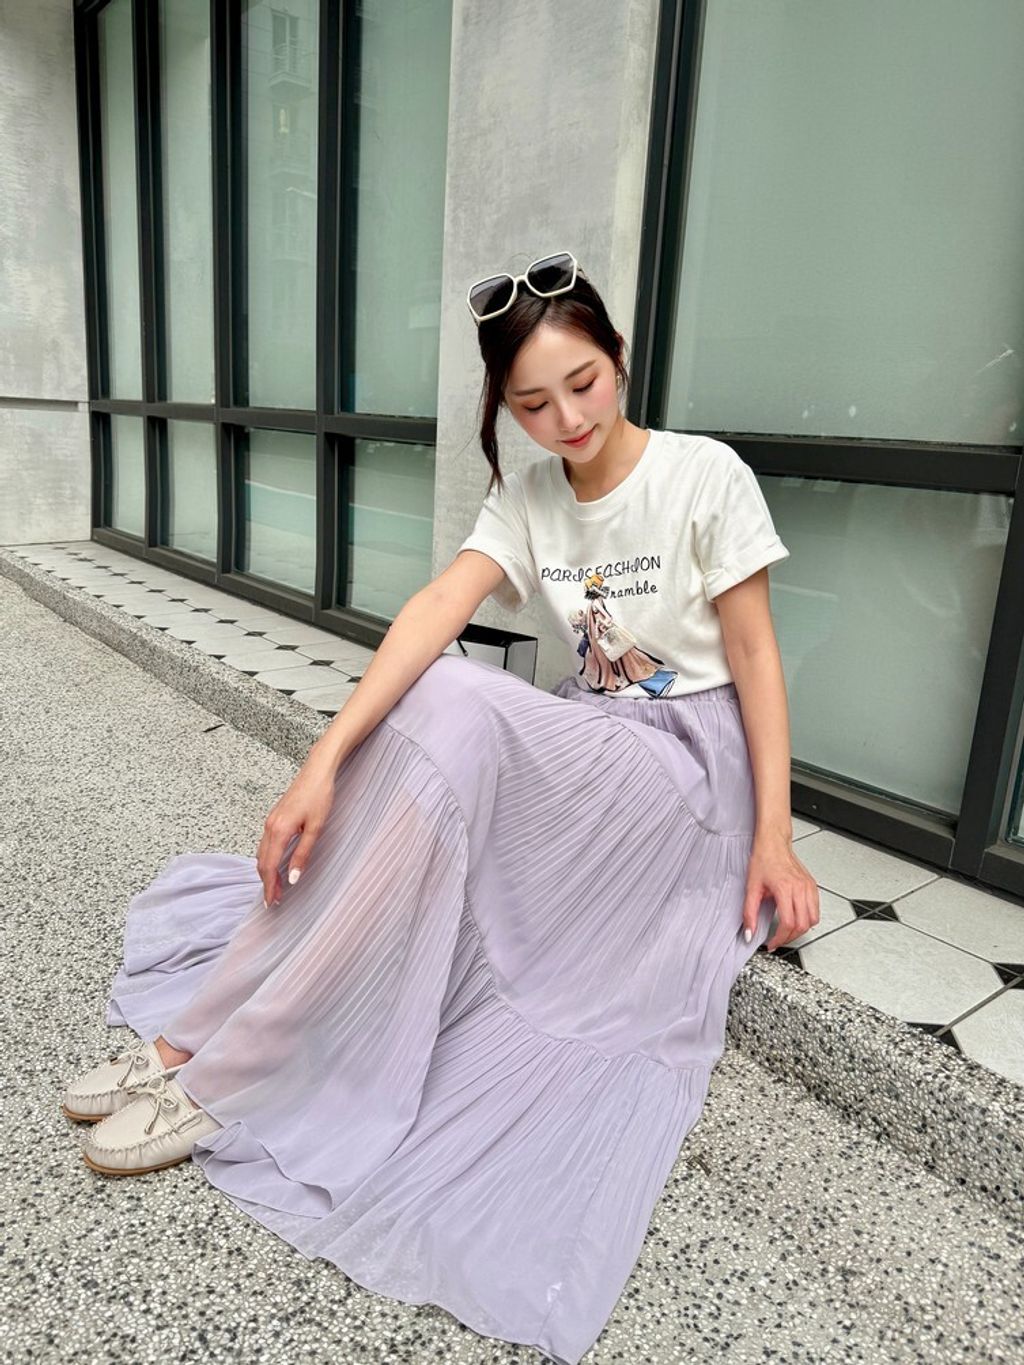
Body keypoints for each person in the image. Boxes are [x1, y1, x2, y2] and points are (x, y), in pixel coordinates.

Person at [61, 251, 819, 1365]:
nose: (567, 419)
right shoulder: (529, 496)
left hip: (690, 773)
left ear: (619, 360)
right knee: (429, 702)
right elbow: (436, 607)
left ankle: (236, 1065)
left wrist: (775, 837)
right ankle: (193, 1035)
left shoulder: (703, 475)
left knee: (458, 697)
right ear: (504, 407)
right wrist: (317, 766)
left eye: (584, 384)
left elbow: (753, 654)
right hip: (596, 739)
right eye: (533, 404)